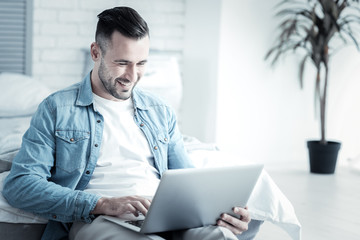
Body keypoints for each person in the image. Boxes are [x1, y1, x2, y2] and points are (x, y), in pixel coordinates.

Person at [3, 6, 262, 240]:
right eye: (122, 62)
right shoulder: (56, 108)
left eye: (141, 63)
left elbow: (186, 180)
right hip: (102, 219)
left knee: (221, 237)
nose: (132, 75)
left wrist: (221, 212)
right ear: (96, 52)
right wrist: (102, 203)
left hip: (170, 216)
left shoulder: (160, 110)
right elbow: (21, 184)